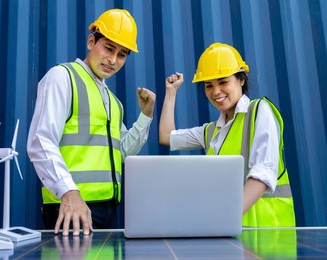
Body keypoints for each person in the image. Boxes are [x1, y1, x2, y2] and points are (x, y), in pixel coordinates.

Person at [27, 9, 156, 236]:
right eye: (108, 48)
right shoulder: (63, 77)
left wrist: (145, 116)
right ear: (90, 42)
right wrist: (68, 192)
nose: (113, 60)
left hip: (108, 210)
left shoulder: (113, 102)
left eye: (122, 54)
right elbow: (40, 141)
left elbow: (121, 153)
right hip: (70, 206)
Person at [159, 42, 295, 227]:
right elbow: (167, 136)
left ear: (241, 79)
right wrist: (171, 93)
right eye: (208, 85)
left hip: (267, 234)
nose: (216, 91)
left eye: (223, 82)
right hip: (231, 236)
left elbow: (263, 173)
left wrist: (223, 220)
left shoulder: (260, 111)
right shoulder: (211, 132)